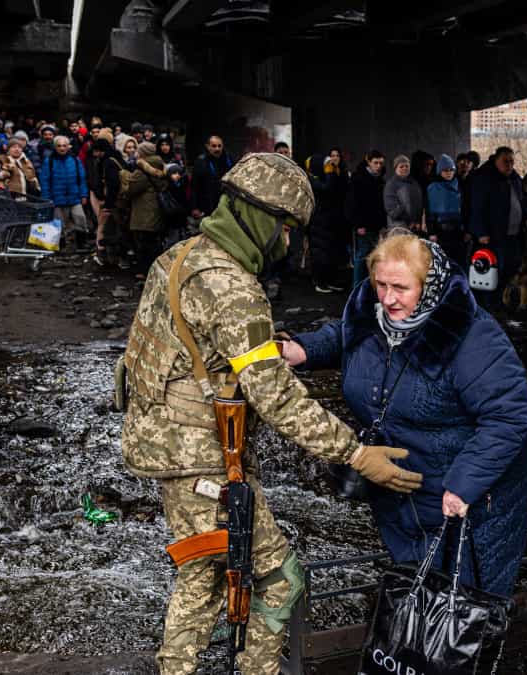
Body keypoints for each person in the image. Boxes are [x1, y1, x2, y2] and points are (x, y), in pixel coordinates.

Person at [120, 153, 419, 675]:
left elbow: (160, 353)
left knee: (209, 573)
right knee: (277, 578)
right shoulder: (234, 288)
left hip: (163, 442)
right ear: (257, 217)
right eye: (283, 228)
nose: (287, 243)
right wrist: (354, 452)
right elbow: (275, 396)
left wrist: (240, 359)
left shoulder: (180, 256)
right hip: (202, 457)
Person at [285, 232, 527, 597]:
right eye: (380, 284)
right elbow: (348, 336)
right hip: (402, 484)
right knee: (415, 590)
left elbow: (510, 415)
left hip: (467, 491)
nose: (388, 298)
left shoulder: (470, 336)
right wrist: (304, 350)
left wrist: (464, 485)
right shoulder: (373, 316)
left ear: (428, 283)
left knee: (460, 604)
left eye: (400, 287)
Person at [469, 146, 527, 304]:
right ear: (496, 160)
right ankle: (487, 306)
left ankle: (500, 302)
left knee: (510, 269)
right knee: (491, 271)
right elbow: (477, 207)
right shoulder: (485, 178)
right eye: (505, 161)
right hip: (492, 235)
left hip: (513, 234)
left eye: (512, 161)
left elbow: (521, 201)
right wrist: (480, 232)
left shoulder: (514, 178)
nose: (509, 165)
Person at [307, 149, 350, 293]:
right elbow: (328, 188)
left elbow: (340, 188)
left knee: (331, 253)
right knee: (320, 253)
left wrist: (336, 171)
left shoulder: (328, 176)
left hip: (330, 220)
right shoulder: (313, 179)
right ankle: (320, 282)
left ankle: (330, 280)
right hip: (319, 221)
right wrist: (330, 172)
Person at [38, 135, 89, 251]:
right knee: (57, 223)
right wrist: (47, 198)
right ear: (55, 147)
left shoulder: (75, 160)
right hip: (56, 198)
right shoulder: (49, 161)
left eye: (64, 145)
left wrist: (84, 195)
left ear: (68, 147)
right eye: (59, 146)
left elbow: (82, 179)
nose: (62, 148)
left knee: (80, 219)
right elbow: (44, 181)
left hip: (74, 196)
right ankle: (59, 246)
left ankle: (82, 244)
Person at [346, 150, 387, 286]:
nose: (378, 165)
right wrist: (358, 225)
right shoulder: (358, 178)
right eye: (375, 162)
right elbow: (352, 203)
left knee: (372, 257)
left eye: (381, 163)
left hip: (375, 224)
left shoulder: (380, 178)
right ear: (368, 161)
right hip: (364, 225)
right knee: (362, 256)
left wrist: (382, 224)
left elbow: (381, 204)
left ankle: (367, 286)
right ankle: (357, 287)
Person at [127, 141, 168, 276]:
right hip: (157, 209)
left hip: (144, 212)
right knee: (154, 241)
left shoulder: (142, 170)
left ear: (143, 153)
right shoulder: (161, 166)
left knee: (144, 244)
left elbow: (131, 190)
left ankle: (144, 271)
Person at [426, 153, 467, 267]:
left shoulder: (459, 185)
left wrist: (466, 230)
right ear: (440, 171)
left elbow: (465, 209)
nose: (449, 173)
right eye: (445, 170)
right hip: (441, 232)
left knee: (459, 262)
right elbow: (429, 212)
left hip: (458, 231)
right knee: (443, 262)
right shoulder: (432, 187)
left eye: (451, 170)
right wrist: (431, 232)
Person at [191, 135, 234, 219]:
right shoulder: (201, 161)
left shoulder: (229, 158)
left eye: (219, 146)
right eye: (214, 146)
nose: (217, 149)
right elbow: (194, 186)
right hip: (208, 204)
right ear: (208, 146)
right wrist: (194, 207)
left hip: (226, 201)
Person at [383, 154, 423, 231]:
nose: (405, 168)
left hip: (414, 227)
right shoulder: (391, 185)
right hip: (398, 227)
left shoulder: (414, 183)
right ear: (395, 168)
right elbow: (392, 210)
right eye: (401, 166)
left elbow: (419, 205)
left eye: (407, 166)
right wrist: (409, 221)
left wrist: (417, 221)